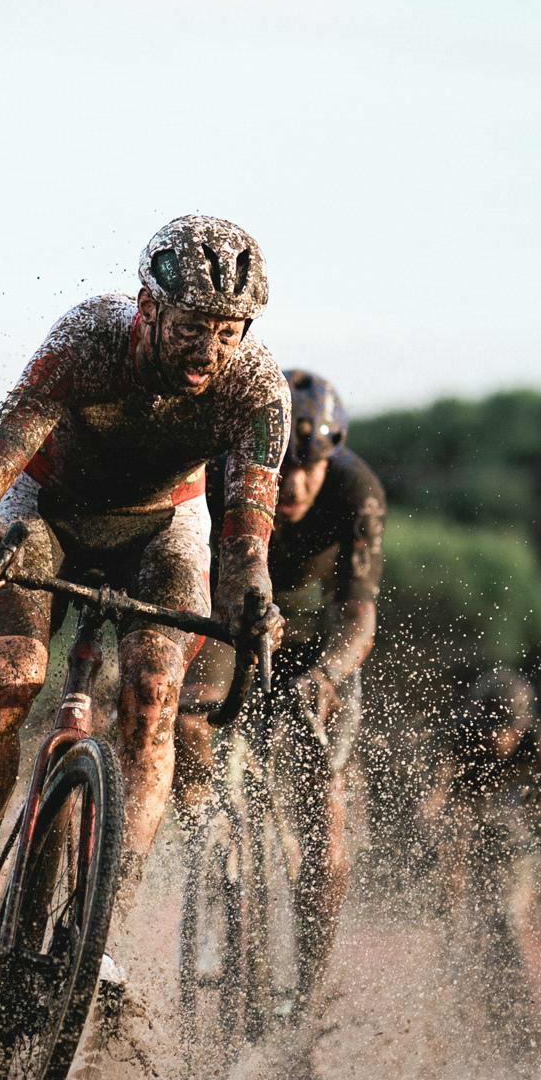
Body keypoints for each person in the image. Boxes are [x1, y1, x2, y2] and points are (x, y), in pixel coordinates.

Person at [0, 214, 289, 1011]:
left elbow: (245, 545)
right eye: (192, 327)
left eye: (227, 333)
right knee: (9, 682)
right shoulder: (88, 339)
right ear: (147, 308)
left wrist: (255, 601)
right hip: (47, 510)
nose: (207, 352)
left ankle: (101, 943)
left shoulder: (258, 390)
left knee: (154, 699)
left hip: (164, 527)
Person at [175, 369, 386, 1022]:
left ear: (331, 459)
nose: (293, 485)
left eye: (310, 468)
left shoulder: (356, 491)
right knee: (185, 720)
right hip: (222, 621)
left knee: (324, 826)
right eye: (284, 466)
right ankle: (206, 835)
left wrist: (323, 677)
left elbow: (357, 615)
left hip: (308, 647)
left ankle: (305, 1000)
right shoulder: (221, 467)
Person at [419, 668, 541, 1056]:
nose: (495, 737)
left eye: (505, 727)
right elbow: (432, 801)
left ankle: (522, 1020)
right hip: (463, 827)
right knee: (454, 925)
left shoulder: (540, 744)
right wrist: (434, 821)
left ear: (523, 723)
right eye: (488, 725)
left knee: (506, 918)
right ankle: (461, 1010)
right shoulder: (455, 737)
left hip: (514, 832)